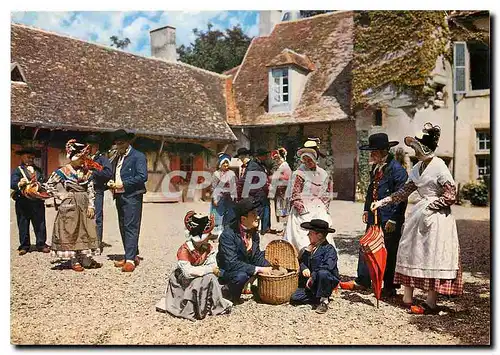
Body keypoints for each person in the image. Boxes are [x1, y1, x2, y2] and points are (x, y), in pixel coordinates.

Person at [371, 123, 462, 314]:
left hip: (436, 217)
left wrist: (431, 206)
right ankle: (407, 296)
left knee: (432, 254)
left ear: (425, 149)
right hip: (419, 214)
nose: (415, 151)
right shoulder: (418, 167)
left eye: (417, 148)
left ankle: (430, 302)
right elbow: (404, 191)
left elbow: (451, 195)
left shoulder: (439, 166)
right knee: (412, 250)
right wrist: (382, 202)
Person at [340, 133, 408, 298]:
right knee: (367, 245)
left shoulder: (397, 170)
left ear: (384, 151)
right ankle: (363, 280)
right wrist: (366, 209)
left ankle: (389, 286)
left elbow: (402, 197)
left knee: (388, 251)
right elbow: (372, 190)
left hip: (389, 218)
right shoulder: (376, 167)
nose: (371, 155)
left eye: (374, 151)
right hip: (374, 216)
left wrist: (394, 218)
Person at [156, 211, 232, 321]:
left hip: (200, 276)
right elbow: (188, 272)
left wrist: (209, 270)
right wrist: (209, 269)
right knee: (208, 277)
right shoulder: (184, 250)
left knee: (210, 278)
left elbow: (212, 263)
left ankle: (213, 305)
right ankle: (197, 306)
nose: (210, 237)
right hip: (184, 281)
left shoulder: (208, 247)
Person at [44, 139, 102, 271]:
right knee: (71, 230)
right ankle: (74, 260)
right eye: (81, 157)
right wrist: (62, 195)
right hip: (70, 203)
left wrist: (91, 205)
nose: (83, 160)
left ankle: (86, 258)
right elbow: (49, 185)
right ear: (72, 157)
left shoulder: (86, 171)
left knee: (86, 229)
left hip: (84, 202)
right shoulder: (63, 171)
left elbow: (91, 188)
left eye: (84, 157)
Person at [216, 198, 272, 304]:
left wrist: (270, 267)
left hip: (245, 267)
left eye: (257, 213)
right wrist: (258, 269)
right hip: (228, 272)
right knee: (241, 276)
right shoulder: (228, 235)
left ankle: (249, 285)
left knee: (267, 262)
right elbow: (231, 263)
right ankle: (226, 292)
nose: (258, 217)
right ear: (243, 219)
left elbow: (256, 256)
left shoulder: (254, 233)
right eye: (253, 214)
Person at [107, 129, 148, 272]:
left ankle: (130, 260)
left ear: (128, 142)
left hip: (133, 196)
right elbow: (115, 172)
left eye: (121, 143)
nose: (119, 146)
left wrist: (123, 184)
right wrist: (111, 182)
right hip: (119, 195)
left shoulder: (138, 156)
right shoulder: (117, 157)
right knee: (123, 226)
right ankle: (130, 255)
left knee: (131, 226)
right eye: (117, 143)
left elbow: (143, 176)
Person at [285, 141, 335, 252]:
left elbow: (327, 193)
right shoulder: (299, 174)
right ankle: (302, 257)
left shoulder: (322, 173)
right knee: (302, 233)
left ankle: (322, 255)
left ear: (315, 159)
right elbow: (295, 194)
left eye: (310, 160)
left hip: (318, 207)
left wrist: (324, 207)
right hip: (303, 208)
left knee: (322, 228)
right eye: (305, 160)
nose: (308, 162)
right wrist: (303, 211)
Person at [290, 219, 340, 314]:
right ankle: (318, 295)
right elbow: (301, 261)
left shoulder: (329, 249)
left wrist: (313, 275)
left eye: (310, 233)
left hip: (325, 279)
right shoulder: (311, 247)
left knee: (323, 273)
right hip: (312, 283)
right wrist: (304, 265)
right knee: (294, 298)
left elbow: (327, 266)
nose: (308, 235)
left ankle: (324, 300)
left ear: (319, 236)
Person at [10, 147, 50, 255]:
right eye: (28, 157)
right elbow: (12, 183)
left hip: (37, 201)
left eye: (32, 157)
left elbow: (44, 181)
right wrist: (20, 183)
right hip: (23, 202)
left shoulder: (39, 170)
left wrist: (40, 186)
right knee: (23, 223)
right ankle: (24, 245)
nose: (31, 159)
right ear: (22, 157)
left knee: (40, 223)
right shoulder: (18, 171)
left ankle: (41, 244)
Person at [84, 134, 113, 252]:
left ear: (97, 147)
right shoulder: (81, 158)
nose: (89, 148)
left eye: (92, 146)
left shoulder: (102, 159)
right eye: (88, 146)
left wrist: (93, 172)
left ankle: (96, 244)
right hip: (82, 191)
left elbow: (108, 174)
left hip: (96, 190)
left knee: (96, 218)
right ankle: (83, 243)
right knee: (83, 217)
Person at [238, 149, 272, 235]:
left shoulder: (252, 166)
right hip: (256, 194)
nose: (241, 159)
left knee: (254, 218)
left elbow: (245, 180)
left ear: (246, 156)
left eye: (242, 157)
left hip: (256, 195)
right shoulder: (251, 165)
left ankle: (254, 236)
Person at [210, 153, 237, 237]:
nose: (226, 165)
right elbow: (213, 187)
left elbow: (234, 186)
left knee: (229, 214)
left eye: (227, 163)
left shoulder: (232, 173)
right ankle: (217, 232)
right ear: (220, 164)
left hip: (229, 198)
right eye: (224, 163)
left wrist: (234, 196)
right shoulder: (216, 174)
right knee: (218, 214)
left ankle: (227, 232)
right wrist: (214, 199)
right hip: (219, 198)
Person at [269, 148, 292, 232]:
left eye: (278, 158)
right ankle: (282, 228)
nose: (276, 160)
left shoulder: (285, 166)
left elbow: (287, 177)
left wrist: (276, 177)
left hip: (283, 191)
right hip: (279, 191)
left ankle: (284, 229)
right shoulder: (280, 167)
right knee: (280, 209)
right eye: (275, 159)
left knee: (284, 210)